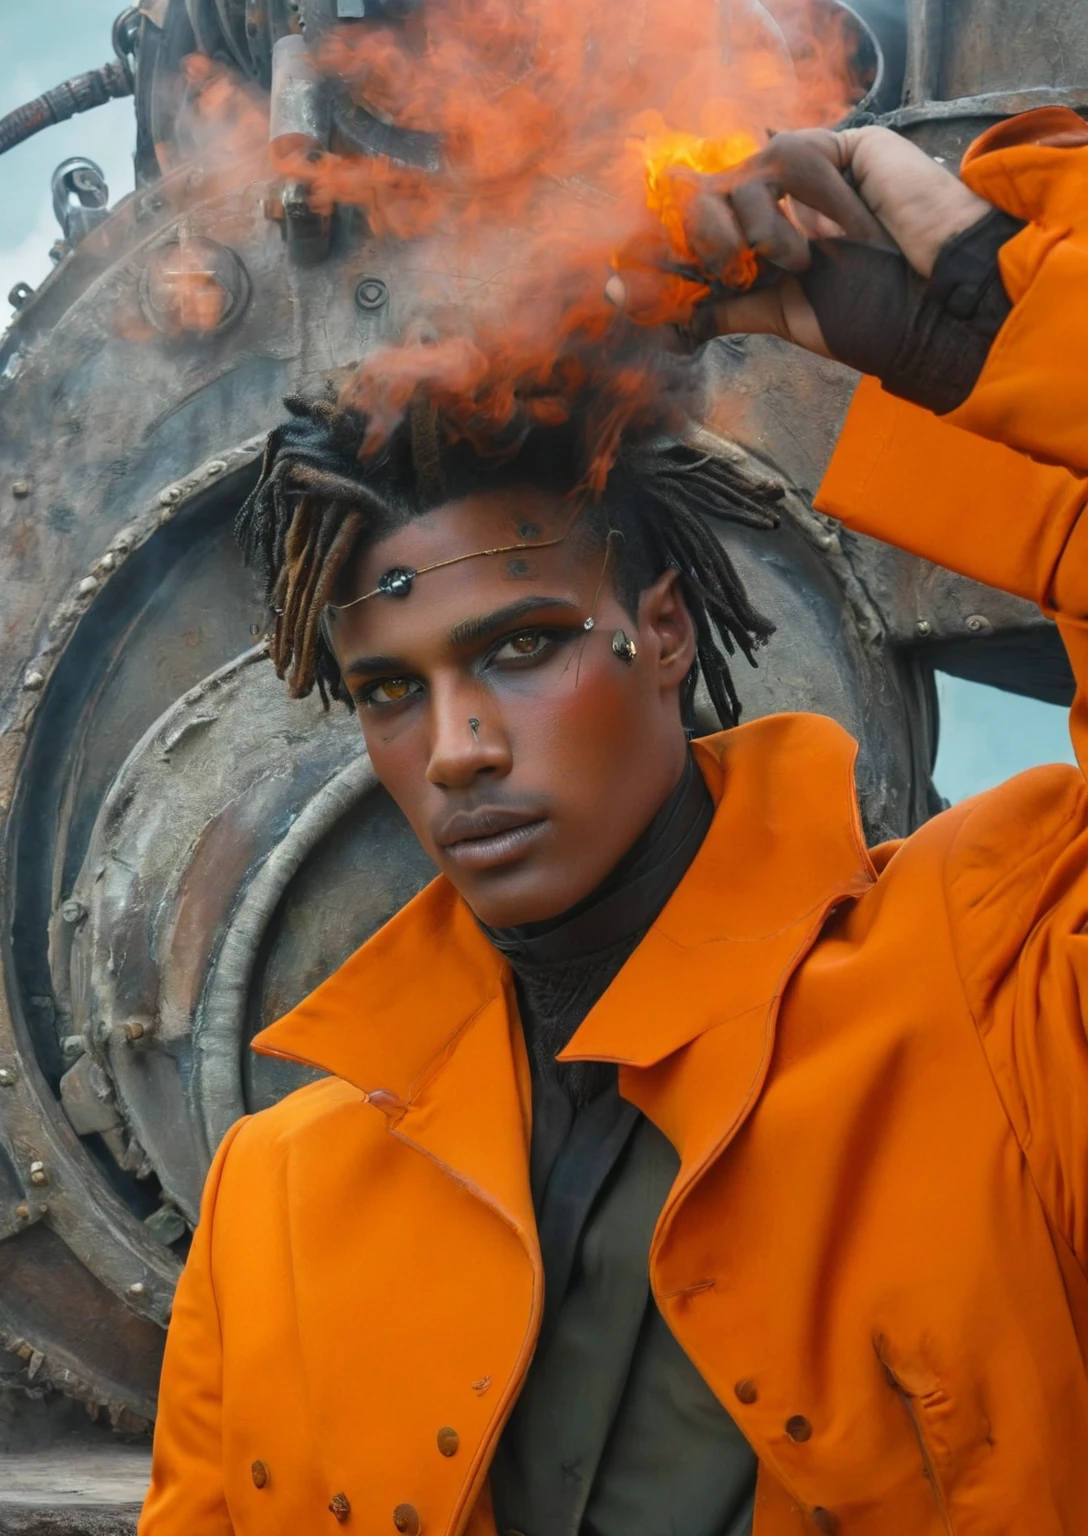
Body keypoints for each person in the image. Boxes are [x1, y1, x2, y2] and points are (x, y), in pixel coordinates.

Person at [139, 106, 1088, 1536]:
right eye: (391, 690)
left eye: (521, 648)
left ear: (657, 628)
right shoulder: (278, 1195)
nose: (455, 751)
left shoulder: (994, 993)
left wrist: (997, 333)